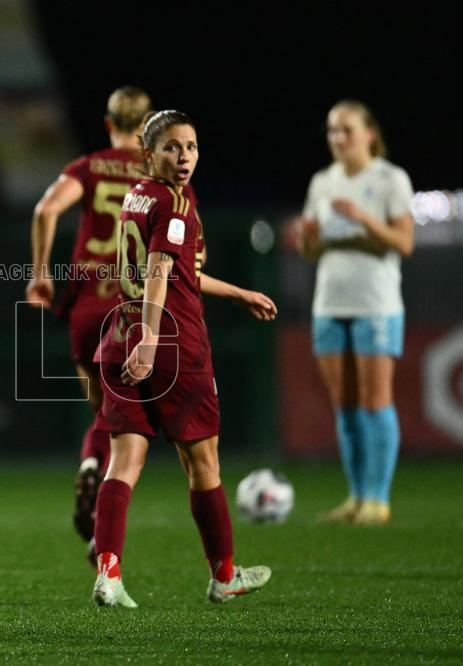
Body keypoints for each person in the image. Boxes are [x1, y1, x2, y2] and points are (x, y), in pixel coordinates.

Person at [91, 110, 277, 607]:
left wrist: (238, 293)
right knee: (203, 463)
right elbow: (158, 270)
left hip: (122, 334)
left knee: (124, 461)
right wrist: (152, 338)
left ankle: (108, 573)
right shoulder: (174, 201)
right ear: (148, 154)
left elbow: (178, 272)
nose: (185, 156)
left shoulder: (138, 195)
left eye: (191, 147)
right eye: (172, 147)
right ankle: (224, 576)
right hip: (173, 346)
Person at [26, 87, 151, 559]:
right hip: (132, 302)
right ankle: (105, 529)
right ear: (146, 129)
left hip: (85, 300)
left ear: (108, 122)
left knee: (101, 410)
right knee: (125, 424)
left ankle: (90, 462)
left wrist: (40, 274)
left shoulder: (90, 166)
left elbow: (45, 209)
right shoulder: (154, 172)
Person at [296, 100, 414, 525]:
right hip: (329, 302)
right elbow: (310, 250)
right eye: (332, 131)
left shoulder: (389, 178)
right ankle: (356, 496)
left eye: (346, 129)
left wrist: (364, 218)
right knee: (344, 405)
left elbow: (403, 244)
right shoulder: (322, 182)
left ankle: (379, 501)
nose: (338, 138)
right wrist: (306, 237)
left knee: (374, 400)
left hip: (376, 303)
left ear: (369, 133)